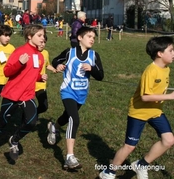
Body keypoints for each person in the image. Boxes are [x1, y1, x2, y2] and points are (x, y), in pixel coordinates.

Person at [99, 36, 174, 179]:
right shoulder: (151, 71)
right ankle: (109, 172)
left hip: (156, 112)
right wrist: (169, 97)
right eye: (171, 50)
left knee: (169, 140)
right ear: (160, 53)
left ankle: (142, 164)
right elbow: (145, 97)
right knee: (129, 146)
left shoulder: (166, 69)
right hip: (139, 112)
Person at [0, 24, 47, 161]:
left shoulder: (40, 56)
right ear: (29, 36)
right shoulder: (20, 52)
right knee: (2, 122)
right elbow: (7, 71)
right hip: (12, 94)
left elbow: (32, 74)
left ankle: (14, 140)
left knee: (31, 122)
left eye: (43, 36)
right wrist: (19, 63)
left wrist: (40, 77)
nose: (43, 38)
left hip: (28, 95)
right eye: (39, 35)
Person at [47, 26, 104, 169]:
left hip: (81, 93)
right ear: (80, 38)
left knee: (67, 116)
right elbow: (55, 60)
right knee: (74, 119)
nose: (92, 39)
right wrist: (59, 65)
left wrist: (92, 69)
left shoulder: (94, 56)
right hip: (68, 91)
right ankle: (69, 157)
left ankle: (55, 127)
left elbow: (101, 76)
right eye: (89, 36)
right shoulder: (70, 52)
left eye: (93, 38)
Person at [36, 33, 56, 115]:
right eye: (41, 42)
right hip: (30, 84)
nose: (43, 44)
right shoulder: (30, 52)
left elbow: (47, 65)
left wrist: (54, 69)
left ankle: (33, 114)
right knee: (27, 106)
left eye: (44, 42)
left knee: (44, 106)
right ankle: (26, 119)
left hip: (41, 84)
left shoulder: (45, 53)